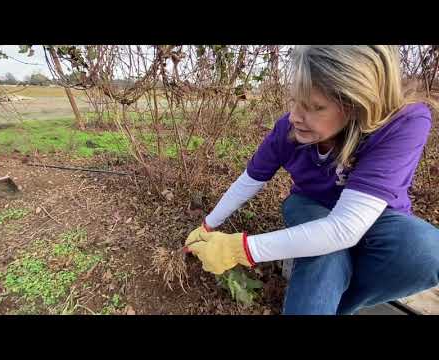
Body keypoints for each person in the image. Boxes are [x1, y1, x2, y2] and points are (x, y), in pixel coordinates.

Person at [184, 45, 439, 315]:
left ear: (357, 104)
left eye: (314, 107)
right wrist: (208, 225)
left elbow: (345, 228)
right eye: (294, 101)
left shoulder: (404, 122)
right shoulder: (288, 128)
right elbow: (250, 180)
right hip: (309, 203)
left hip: (379, 217)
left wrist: (241, 249)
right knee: (326, 256)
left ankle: (339, 305)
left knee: (425, 252)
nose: (294, 117)